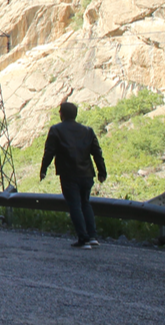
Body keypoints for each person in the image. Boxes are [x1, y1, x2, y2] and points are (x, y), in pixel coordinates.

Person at [40, 102, 108, 249]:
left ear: (61, 114)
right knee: (85, 203)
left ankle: (83, 238)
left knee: (75, 205)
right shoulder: (87, 131)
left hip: (68, 173)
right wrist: (102, 172)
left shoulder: (56, 130)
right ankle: (92, 236)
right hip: (87, 174)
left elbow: (49, 152)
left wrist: (43, 169)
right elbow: (97, 153)